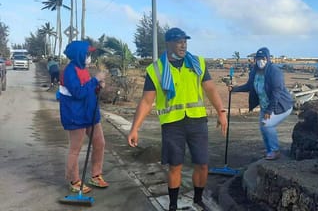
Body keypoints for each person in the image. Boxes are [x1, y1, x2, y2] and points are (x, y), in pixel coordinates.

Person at [127, 27, 228, 211]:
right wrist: (135, 128)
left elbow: (211, 89)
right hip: (172, 124)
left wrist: (221, 112)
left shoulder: (197, 63)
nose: (183, 45)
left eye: (185, 41)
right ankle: (173, 205)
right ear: (168, 43)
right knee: (175, 166)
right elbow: (146, 101)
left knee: (203, 164)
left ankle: (198, 199)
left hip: (197, 121)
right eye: (179, 41)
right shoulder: (155, 69)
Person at [59, 40, 108, 193]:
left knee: (99, 143)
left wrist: (97, 87)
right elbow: (78, 92)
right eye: (87, 54)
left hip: (91, 114)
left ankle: (95, 175)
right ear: (80, 55)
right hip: (76, 116)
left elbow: (87, 90)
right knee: (75, 149)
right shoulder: (69, 72)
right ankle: (74, 180)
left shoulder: (83, 70)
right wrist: (95, 80)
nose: (89, 58)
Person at [229, 47, 293, 160]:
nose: (260, 61)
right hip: (265, 106)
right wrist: (235, 89)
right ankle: (270, 151)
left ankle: (275, 150)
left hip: (280, 106)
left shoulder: (274, 71)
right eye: (258, 58)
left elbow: (276, 93)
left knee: (267, 125)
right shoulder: (254, 71)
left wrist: (269, 111)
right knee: (263, 128)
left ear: (268, 58)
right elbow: (249, 86)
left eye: (263, 58)